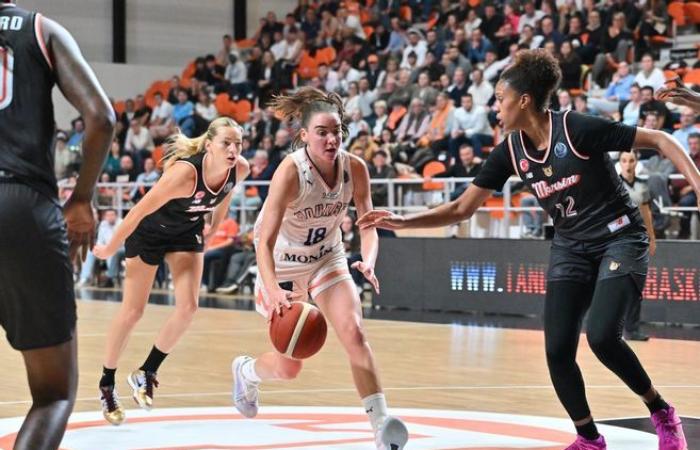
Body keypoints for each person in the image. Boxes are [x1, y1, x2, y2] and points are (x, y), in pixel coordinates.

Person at [358, 49, 697, 450]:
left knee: (604, 337)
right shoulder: (510, 151)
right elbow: (462, 208)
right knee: (556, 349)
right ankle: (589, 439)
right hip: (570, 245)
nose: (495, 108)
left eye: (500, 98)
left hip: (619, 235)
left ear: (523, 100)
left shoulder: (577, 129)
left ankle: (661, 411)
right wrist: (404, 221)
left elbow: (658, 139)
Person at [230, 87, 408, 450]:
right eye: (323, 132)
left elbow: (368, 222)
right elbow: (261, 242)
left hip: (327, 257)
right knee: (289, 367)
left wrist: (368, 261)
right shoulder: (291, 172)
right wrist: (274, 289)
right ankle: (246, 372)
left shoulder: (354, 168)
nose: (331, 139)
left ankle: (380, 425)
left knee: (354, 331)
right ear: (305, 135)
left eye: (337, 131)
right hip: (281, 265)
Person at [0, 2, 115, 449]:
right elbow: (101, 117)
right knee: (52, 395)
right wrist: (81, 198)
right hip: (21, 205)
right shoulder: (39, 28)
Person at [92, 117, 249, 425]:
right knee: (133, 312)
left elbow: (225, 196)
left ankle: (147, 371)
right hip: (149, 231)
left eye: (238, 144)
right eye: (226, 143)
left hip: (185, 233)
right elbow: (138, 210)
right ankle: (107, 383)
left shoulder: (239, 168)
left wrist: (214, 226)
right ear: (209, 145)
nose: (233, 150)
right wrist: (111, 247)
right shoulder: (184, 174)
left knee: (189, 307)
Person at [618, 150, 655, 341]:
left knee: (635, 287)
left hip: (638, 241)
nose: (628, 164)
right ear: (620, 163)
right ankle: (613, 329)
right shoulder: (613, 184)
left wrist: (652, 238)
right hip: (617, 241)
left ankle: (631, 330)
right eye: (624, 160)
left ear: (636, 162)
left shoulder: (642, 185)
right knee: (616, 286)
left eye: (631, 160)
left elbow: (646, 212)